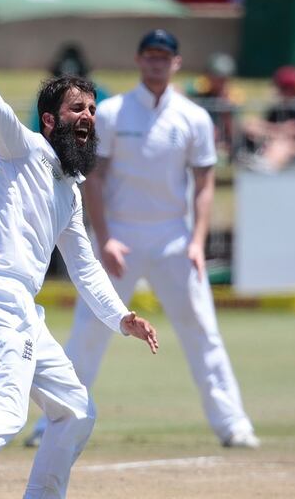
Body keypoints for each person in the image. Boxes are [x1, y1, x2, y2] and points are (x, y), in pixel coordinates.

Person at [0, 8, 159, 499]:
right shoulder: (21, 148)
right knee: (4, 409)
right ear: (50, 120)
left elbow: (85, 267)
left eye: (91, 109)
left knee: (75, 410)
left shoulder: (71, 188)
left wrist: (121, 317)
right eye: (76, 109)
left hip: (24, 309)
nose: (87, 117)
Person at [24, 28, 259, 450]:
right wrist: (106, 237)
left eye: (163, 56)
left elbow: (205, 182)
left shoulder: (193, 117)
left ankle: (233, 424)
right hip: (121, 237)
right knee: (90, 331)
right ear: (138, 60)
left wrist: (197, 241)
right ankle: (53, 422)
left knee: (202, 330)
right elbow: (94, 181)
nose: (156, 62)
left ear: (176, 63)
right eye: (149, 55)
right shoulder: (112, 113)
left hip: (174, 236)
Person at [186, 51, 244, 163]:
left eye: (225, 78)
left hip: (220, 143)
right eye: (217, 77)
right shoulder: (197, 90)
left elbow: (234, 133)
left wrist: (226, 111)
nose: (221, 82)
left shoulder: (232, 97)